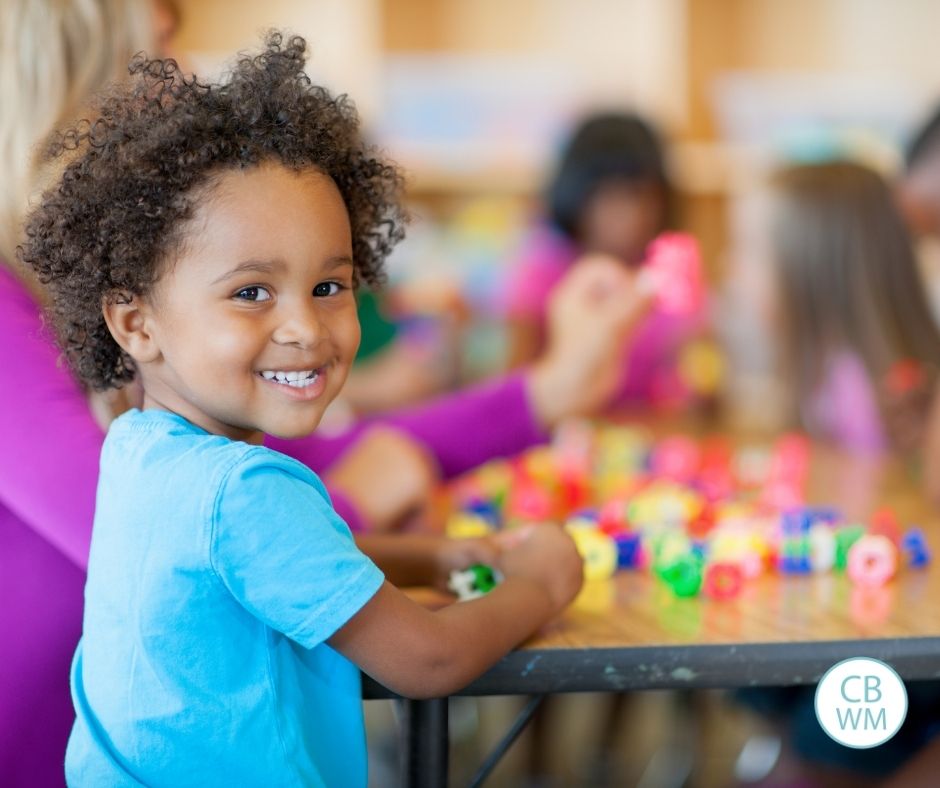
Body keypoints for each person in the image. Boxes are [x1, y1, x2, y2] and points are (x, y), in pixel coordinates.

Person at [15, 32, 666, 783]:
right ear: (134, 322)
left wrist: (436, 556)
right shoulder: (241, 492)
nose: (305, 328)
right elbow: (430, 657)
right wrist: (544, 583)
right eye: (250, 292)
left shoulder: (139, 450)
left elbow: (271, 560)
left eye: (330, 287)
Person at [504, 111, 707, 408]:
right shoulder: (544, 272)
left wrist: (697, 379)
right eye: (612, 197)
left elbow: (694, 376)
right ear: (577, 195)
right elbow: (514, 387)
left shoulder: (669, 271)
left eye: (642, 195)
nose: (631, 215)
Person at [750, 161, 940, 456]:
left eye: (751, 251)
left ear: (809, 269)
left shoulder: (865, 398)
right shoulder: (823, 371)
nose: (731, 267)